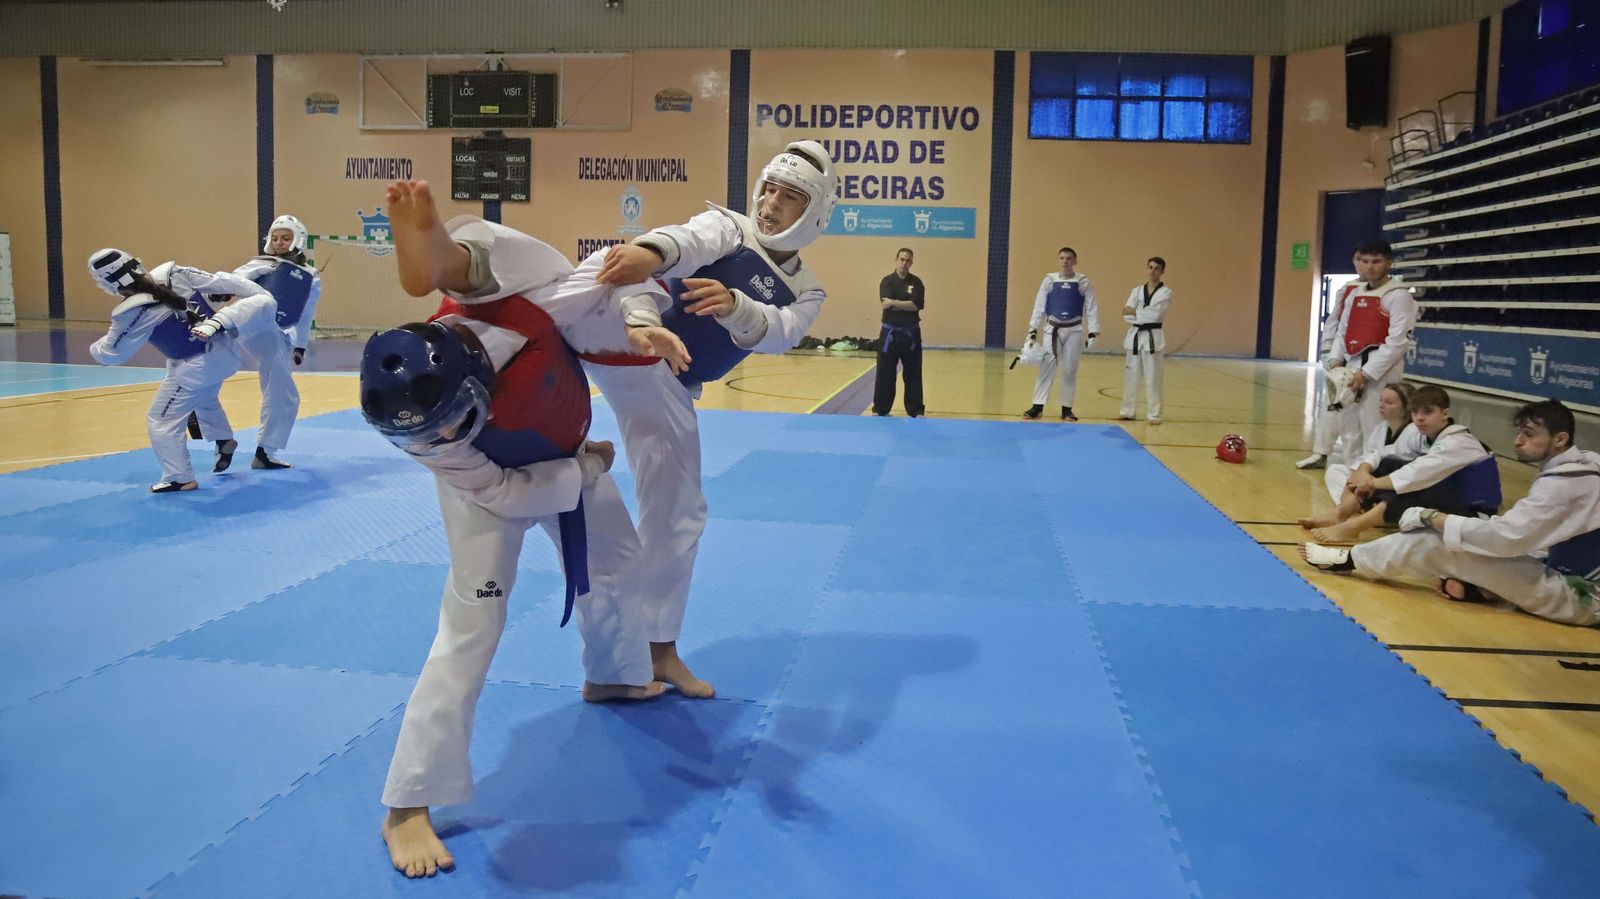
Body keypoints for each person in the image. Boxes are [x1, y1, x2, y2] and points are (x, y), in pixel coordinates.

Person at [383, 139, 839, 701]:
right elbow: (689, 239)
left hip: (665, 381)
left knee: (681, 510)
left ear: (816, 211)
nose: (771, 203)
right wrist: (650, 254)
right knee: (568, 276)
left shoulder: (807, 287)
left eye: (789, 196)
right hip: (625, 329)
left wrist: (738, 306)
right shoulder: (729, 227)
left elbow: (785, 332)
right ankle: (452, 265)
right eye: (768, 188)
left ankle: (655, 650)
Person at [364, 307, 673, 878]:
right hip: (491, 494)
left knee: (618, 562)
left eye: (454, 420)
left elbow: (585, 294)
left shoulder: (510, 320)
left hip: (557, 450)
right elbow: (509, 495)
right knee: (473, 627)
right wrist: (588, 469)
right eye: (432, 434)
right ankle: (407, 804)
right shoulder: (434, 441)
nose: (447, 436)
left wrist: (633, 323)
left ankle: (611, 675)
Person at [1301, 399, 1600, 627]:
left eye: (1529, 434)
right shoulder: (1584, 465)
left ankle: (1351, 559)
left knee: (1437, 543)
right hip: (1561, 567)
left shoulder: (1565, 482)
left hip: (1581, 595)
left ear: (1560, 440)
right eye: (1519, 432)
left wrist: (1434, 518)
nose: (1518, 441)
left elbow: (1507, 538)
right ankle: (1485, 589)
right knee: (1466, 547)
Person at [86, 249, 278, 492]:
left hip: (196, 367)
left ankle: (179, 476)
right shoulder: (175, 273)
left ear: (106, 284)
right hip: (226, 353)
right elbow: (224, 280)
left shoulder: (133, 311)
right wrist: (261, 294)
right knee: (205, 398)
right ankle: (223, 439)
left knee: (161, 419)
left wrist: (94, 350)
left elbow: (113, 354)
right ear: (136, 263)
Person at [1297, 384, 1500, 545]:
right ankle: (1342, 513)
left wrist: (1372, 484)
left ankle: (1354, 527)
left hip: (1476, 511)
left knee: (1417, 488)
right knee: (1387, 464)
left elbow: (1416, 474)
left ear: (1444, 414)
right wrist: (1364, 471)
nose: (1419, 418)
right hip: (1450, 497)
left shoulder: (1457, 441)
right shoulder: (1425, 436)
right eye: (1415, 413)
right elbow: (1385, 453)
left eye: (1427, 412)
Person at [231, 214, 324, 470]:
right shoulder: (262, 264)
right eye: (275, 238)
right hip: (251, 326)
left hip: (278, 334)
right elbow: (235, 278)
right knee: (283, 393)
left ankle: (240, 444)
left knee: (279, 392)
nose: (280, 242)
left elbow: (306, 313)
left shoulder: (310, 275)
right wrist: (223, 289)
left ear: (298, 240)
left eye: (286, 237)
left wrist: (301, 345)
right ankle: (265, 452)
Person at [1320, 241, 1416, 459]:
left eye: (1377, 261)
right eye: (1365, 261)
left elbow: (1398, 342)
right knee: (1349, 426)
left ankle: (1371, 477)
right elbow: (1344, 330)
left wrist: (1366, 373)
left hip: (1381, 369)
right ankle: (1351, 474)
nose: (1370, 267)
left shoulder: (1399, 295)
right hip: (1352, 364)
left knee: (1375, 426)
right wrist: (1336, 362)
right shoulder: (1355, 293)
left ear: (1389, 263)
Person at [1295, 271, 1362, 469]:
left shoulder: (1390, 293)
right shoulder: (1347, 289)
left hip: (1365, 361)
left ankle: (1356, 463)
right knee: (1331, 407)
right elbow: (1335, 323)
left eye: (1374, 261)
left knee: (1352, 413)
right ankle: (1321, 453)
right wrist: (1330, 356)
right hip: (1339, 358)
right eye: (1362, 260)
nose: (1366, 266)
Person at [1023, 247, 1099, 421]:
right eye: (1063, 258)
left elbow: (1092, 307)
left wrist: (1093, 331)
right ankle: (1037, 405)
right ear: (1058, 260)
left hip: (1074, 330)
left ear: (1075, 261)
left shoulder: (1083, 282)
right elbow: (1039, 306)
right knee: (1046, 366)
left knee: (1070, 369)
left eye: (1069, 258)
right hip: (1052, 329)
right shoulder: (1049, 281)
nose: (1066, 261)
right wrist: (1033, 328)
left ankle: (1067, 408)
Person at [1321, 381, 1416, 503]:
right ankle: (1348, 505)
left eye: (1389, 402)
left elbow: (1387, 453)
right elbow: (1367, 455)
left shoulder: (1414, 432)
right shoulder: (1381, 428)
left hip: (1393, 484)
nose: (1381, 405)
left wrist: (1365, 472)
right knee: (1335, 470)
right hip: (1372, 478)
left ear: (1406, 408)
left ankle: (1353, 506)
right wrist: (1360, 472)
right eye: (1381, 400)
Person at [1116, 256, 1170, 424]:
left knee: (1153, 378)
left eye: (1156, 268)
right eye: (1150, 267)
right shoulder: (1137, 290)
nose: (1153, 271)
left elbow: (1155, 315)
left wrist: (1135, 312)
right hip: (1135, 337)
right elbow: (1125, 314)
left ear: (1162, 272)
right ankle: (1127, 411)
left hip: (1153, 337)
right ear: (1147, 268)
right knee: (1130, 376)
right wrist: (1136, 313)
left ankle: (1154, 415)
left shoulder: (1165, 292)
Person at [872, 246, 925, 417]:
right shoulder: (887, 281)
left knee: (913, 373)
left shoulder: (916, 283)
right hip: (890, 335)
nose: (904, 263)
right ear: (896, 260)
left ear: (911, 262)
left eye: (908, 260)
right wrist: (905, 303)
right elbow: (885, 304)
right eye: (902, 259)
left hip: (911, 335)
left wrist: (895, 302)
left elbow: (915, 305)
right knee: (885, 373)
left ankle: (915, 410)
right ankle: (880, 410)